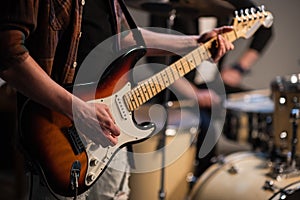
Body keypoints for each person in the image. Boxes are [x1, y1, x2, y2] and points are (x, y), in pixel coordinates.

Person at [0, 0, 234, 199]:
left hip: (113, 134)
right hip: (59, 135)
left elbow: (125, 39)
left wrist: (194, 43)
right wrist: (77, 110)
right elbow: (8, 56)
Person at [148, 0, 273, 185]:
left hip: (212, 84)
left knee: (262, 106)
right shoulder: (168, 5)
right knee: (207, 124)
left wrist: (238, 69)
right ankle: (199, 183)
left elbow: (266, 25)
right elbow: (155, 65)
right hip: (175, 87)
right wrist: (195, 94)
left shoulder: (228, 3)